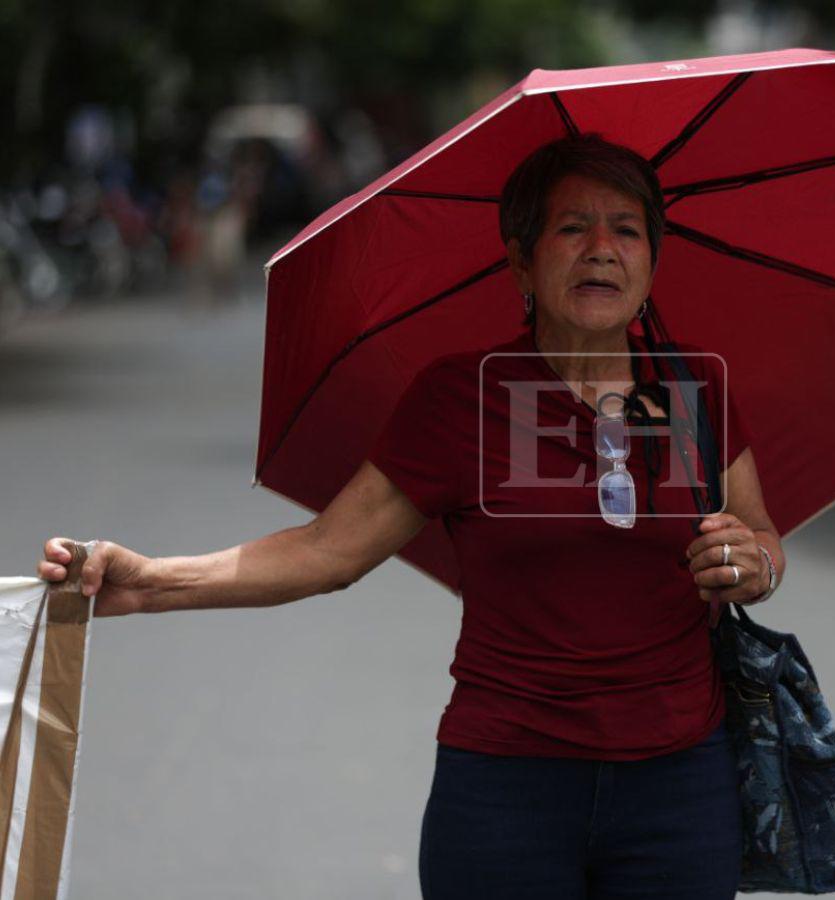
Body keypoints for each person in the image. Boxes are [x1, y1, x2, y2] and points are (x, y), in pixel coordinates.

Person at [38, 133, 786, 900]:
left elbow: (761, 538)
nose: (602, 249)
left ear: (652, 263)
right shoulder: (461, 399)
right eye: (572, 228)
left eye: (626, 230)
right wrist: (150, 581)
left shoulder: (691, 392)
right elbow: (326, 551)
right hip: (506, 790)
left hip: (679, 787)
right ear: (521, 262)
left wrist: (754, 562)